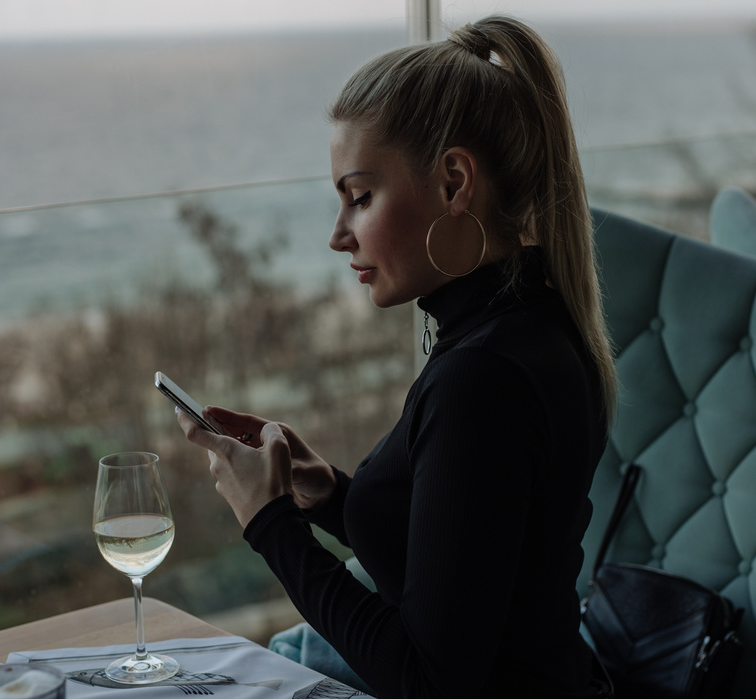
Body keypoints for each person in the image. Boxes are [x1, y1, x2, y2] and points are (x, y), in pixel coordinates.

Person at [176, 15, 617, 699]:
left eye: (360, 197)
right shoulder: (535, 325)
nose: (338, 235)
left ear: (453, 182)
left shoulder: (482, 378)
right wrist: (330, 495)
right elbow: (477, 557)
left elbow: (429, 678)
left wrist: (268, 523)